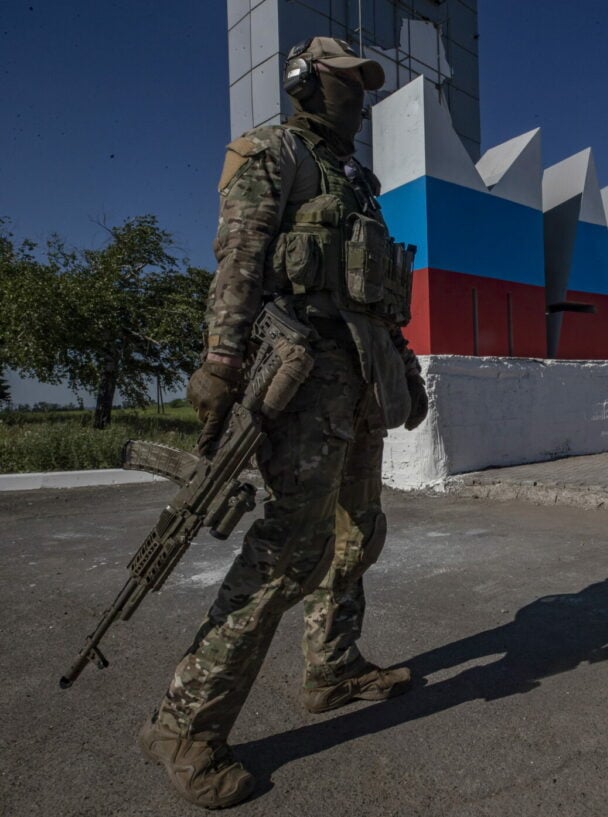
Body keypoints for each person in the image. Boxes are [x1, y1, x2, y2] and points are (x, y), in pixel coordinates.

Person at [137, 37, 428, 809]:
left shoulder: (357, 183)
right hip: (300, 381)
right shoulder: (272, 153)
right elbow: (238, 258)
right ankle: (183, 724)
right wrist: (221, 361)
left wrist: (408, 370)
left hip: (361, 380)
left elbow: (377, 293)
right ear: (305, 82)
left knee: (357, 532)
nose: (359, 100)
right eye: (346, 85)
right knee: (286, 555)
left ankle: (331, 668)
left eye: (364, 88)